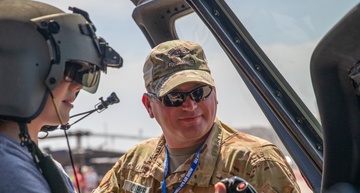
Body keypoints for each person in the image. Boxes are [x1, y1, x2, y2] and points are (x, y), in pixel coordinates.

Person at [92, 40, 300, 193]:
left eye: (199, 92)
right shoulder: (133, 163)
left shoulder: (256, 161)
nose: (190, 105)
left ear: (215, 95)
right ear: (149, 106)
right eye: (174, 97)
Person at [0, 0, 122, 193]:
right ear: (23, 70)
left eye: (87, 75)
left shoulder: (32, 162)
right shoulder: (11, 172)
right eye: (73, 71)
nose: (79, 86)